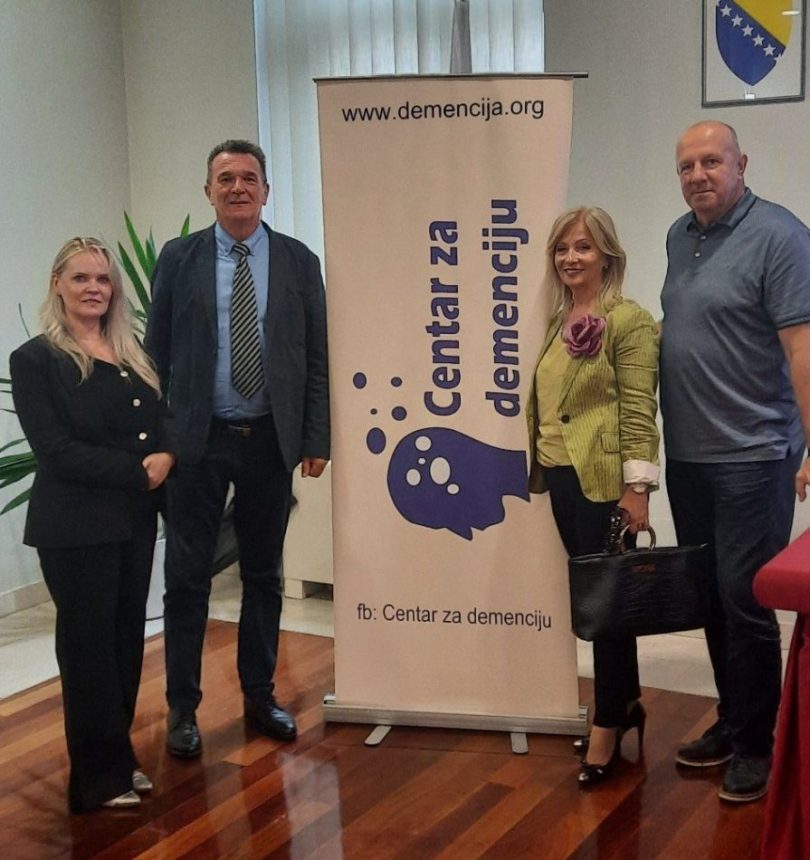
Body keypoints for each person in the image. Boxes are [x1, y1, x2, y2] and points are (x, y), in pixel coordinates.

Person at [144, 139, 329, 757]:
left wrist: (315, 436)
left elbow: (316, 356)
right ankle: (182, 708)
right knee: (186, 578)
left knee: (264, 575)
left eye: (249, 178)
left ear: (266, 191)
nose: (237, 188)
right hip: (196, 442)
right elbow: (155, 355)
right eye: (225, 179)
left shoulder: (298, 261)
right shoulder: (180, 258)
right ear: (208, 191)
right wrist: (161, 440)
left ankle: (259, 695)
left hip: (268, 440)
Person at [660, 120, 810, 803]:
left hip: (754, 454)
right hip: (688, 455)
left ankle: (758, 745)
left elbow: (802, 348)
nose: (698, 175)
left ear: (741, 164)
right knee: (711, 597)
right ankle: (734, 719)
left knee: (746, 601)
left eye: (711, 162)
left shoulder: (781, 236)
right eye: (687, 166)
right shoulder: (678, 236)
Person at [10, 237, 176, 812]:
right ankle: (95, 780)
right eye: (80, 278)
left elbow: (162, 420)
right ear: (57, 284)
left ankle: (117, 760)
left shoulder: (132, 353)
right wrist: (139, 471)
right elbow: (55, 450)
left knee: (125, 641)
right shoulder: (36, 360)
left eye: (103, 279)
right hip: (75, 527)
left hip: (133, 520)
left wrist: (168, 454)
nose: (93, 288)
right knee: (89, 652)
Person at [527, 207, 660, 788]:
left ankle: (607, 720)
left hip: (604, 483)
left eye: (583, 247)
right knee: (603, 601)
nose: (571, 258)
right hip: (561, 476)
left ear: (607, 254)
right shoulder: (560, 320)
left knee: (606, 605)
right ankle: (624, 702)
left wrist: (637, 488)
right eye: (562, 249)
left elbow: (639, 409)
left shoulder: (629, 321)